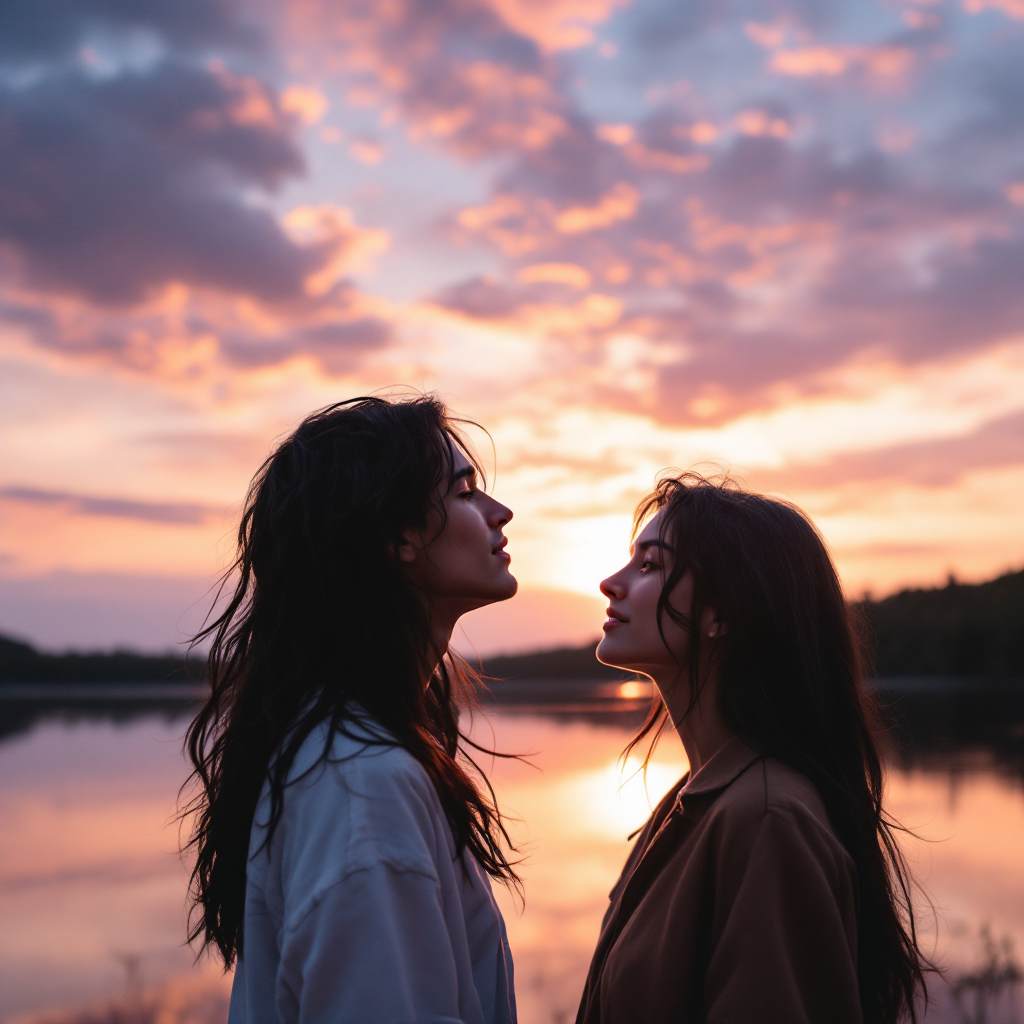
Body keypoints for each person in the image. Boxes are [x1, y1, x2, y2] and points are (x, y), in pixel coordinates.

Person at [182, 395, 520, 1024]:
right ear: (399, 538)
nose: (501, 512)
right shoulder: (361, 783)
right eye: (466, 492)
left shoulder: (351, 755)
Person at [577, 473, 930, 1024]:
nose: (610, 583)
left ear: (722, 614)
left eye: (650, 565)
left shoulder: (766, 818)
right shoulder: (697, 801)